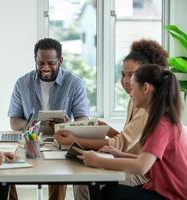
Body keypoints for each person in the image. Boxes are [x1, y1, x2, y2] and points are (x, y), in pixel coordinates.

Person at [54, 39, 169, 200]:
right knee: (83, 176)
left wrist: (74, 139)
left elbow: (124, 144)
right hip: (132, 161)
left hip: (145, 174)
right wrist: (107, 129)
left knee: (86, 180)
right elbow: (131, 140)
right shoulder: (134, 98)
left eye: (132, 75)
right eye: (123, 75)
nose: (126, 80)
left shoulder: (149, 108)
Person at [75, 64, 187, 200]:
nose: (131, 93)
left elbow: (141, 167)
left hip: (171, 196)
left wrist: (96, 160)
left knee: (110, 193)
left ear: (145, 88)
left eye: (133, 88)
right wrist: (120, 154)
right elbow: (149, 161)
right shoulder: (162, 119)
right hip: (162, 190)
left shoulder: (160, 125)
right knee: (105, 189)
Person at [8, 38, 90, 200]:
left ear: (60, 61)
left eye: (51, 63)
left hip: (60, 140)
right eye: (40, 63)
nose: (45, 68)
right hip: (30, 140)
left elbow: (83, 119)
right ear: (35, 61)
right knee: (5, 170)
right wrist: (29, 125)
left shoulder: (74, 83)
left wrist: (67, 125)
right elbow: (14, 121)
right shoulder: (22, 83)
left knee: (59, 171)